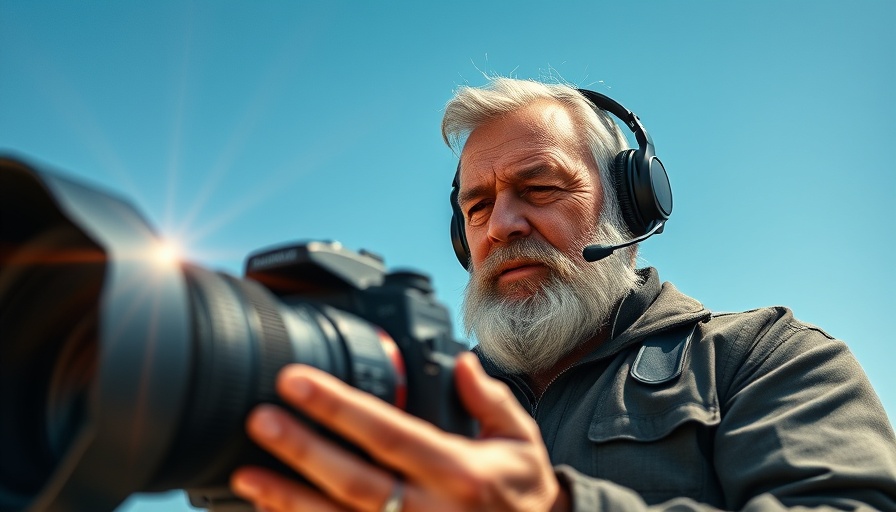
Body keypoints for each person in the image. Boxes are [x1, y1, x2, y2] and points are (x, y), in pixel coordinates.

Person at [229, 77, 896, 511]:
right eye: (477, 206)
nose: (503, 225)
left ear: (629, 207)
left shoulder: (765, 359)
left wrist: (554, 507)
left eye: (540, 188)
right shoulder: (418, 397)